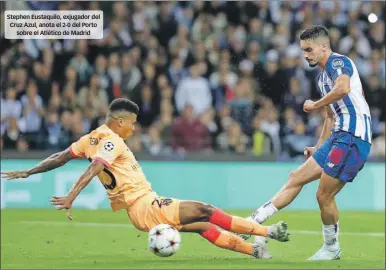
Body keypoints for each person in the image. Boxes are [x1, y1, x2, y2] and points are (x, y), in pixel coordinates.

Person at [1, 98, 290, 259]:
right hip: (146, 206)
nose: (134, 130)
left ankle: (254, 250)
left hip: (141, 209)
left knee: (202, 224)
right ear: (119, 122)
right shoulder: (112, 141)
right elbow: (95, 168)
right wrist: (72, 196)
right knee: (205, 210)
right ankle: (268, 233)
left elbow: (59, 157)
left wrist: (29, 171)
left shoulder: (90, 138)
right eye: (133, 124)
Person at [239, 25, 372, 261]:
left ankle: (331, 247)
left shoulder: (337, 63)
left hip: (353, 136)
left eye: (309, 49)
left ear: (324, 47)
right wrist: (319, 147)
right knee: (295, 177)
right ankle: (252, 223)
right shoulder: (322, 78)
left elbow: (343, 88)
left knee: (324, 195)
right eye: (303, 51)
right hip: (338, 136)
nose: (306, 55)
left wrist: (315, 104)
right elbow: (331, 118)